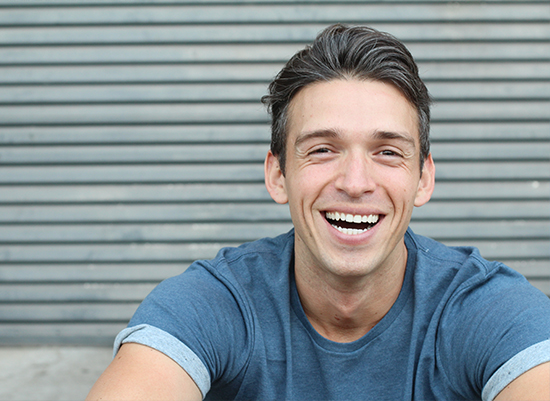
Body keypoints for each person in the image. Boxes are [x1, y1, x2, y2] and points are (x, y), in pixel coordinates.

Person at [87, 24, 550, 401]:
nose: (354, 182)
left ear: (423, 178)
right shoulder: (215, 303)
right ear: (278, 175)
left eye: (387, 152)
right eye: (323, 149)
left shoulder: (486, 309)